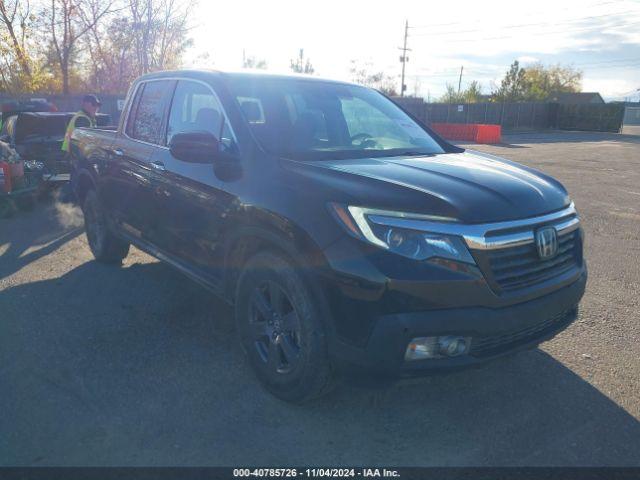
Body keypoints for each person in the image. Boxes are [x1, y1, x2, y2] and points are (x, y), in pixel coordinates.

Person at [60, 95, 101, 203]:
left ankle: (69, 201)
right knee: (78, 178)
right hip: (77, 153)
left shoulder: (85, 117)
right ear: (86, 104)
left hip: (74, 152)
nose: (96, 108)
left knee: (75, 177)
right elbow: (86, 140)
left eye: (97, 105)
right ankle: (70, 201)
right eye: (94, 105)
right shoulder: (82, 118)